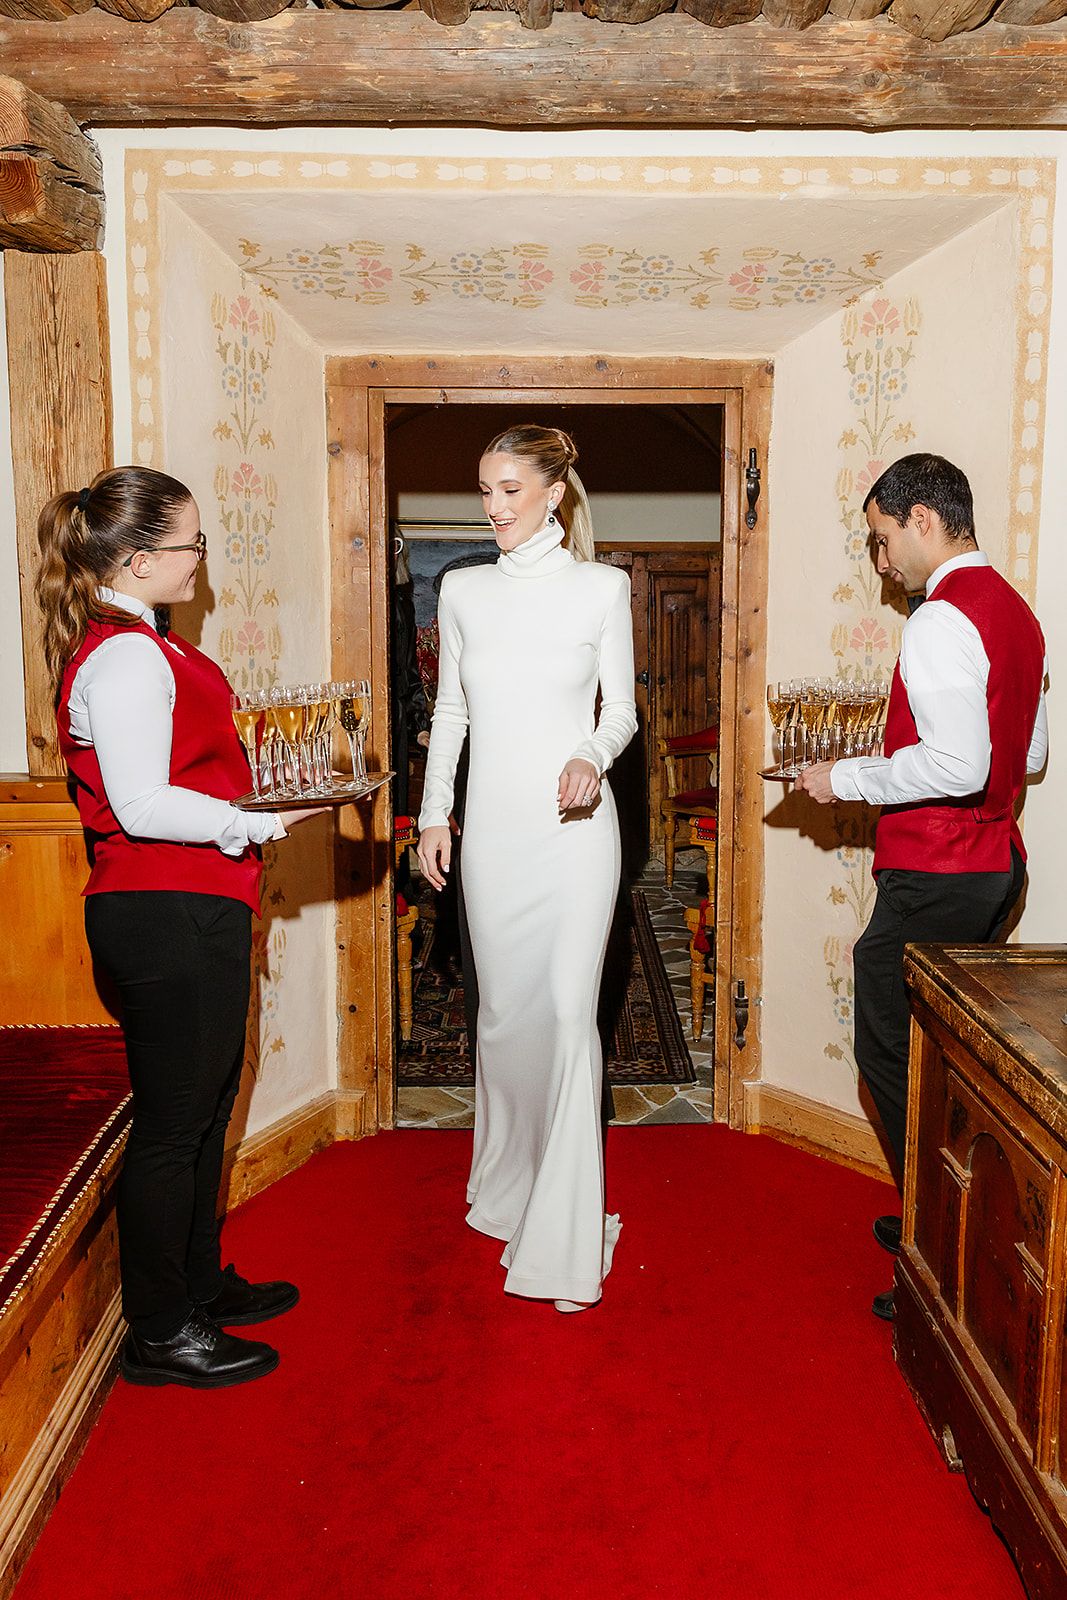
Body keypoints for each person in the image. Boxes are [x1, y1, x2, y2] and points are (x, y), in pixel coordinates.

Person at [36, 466, 322, 1388]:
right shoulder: (123, 656)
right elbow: (143, 802)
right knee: (172, 1127)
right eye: (191, 542)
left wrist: (264, 798)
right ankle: (160, 1329)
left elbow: (186, 778)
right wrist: (258, 821)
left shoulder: (154, 646)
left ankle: (197, 1284)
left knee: (202, 1115)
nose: (203, 558)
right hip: (161, 911)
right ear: (136, 557)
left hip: (190, 906)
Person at [796, 453, 1048, 1321]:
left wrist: (844, 779)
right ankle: (938, 1230)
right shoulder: (1015, 612)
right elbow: (1032, 756)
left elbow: (957, 762)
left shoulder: (941, 618)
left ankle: (941, 1253)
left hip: (938, 873)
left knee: (891, 1058)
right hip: (993, 868)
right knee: (941, 1067)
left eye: (880, 538)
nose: (880, 560)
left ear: (923, 521)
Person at [416, 424, 637, 1313]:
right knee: (505, 1018)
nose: (493, 506)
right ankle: (511, 1186)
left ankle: (564, 1234)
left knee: (565, 1011)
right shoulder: (463, 590)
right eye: (484, 490)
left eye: (510, 490)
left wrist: (590, 753)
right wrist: (437, 813)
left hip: (576, 830)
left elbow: (620, 710)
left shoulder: (603, 588)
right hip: (495, 835)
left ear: (554, 493)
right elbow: (452, 713)